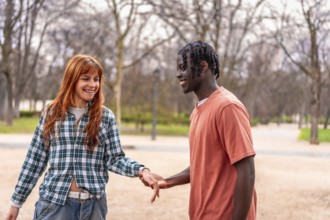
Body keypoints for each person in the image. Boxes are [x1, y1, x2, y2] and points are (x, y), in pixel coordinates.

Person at [6, 54, 159, 220]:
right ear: (72, 80)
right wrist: (16, 202)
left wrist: (140, 170)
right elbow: (35, 160)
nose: (92, 85)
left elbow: (114, 159)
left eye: (96, 79)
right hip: (54, 206)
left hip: (93, 208)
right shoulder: (51, 113)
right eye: (86, 78)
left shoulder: (106, 117)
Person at [143, 41, 257, 220]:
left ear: (203, 66)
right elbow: (203, 164)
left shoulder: (227, 107)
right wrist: (167, 181)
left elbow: (247, 170)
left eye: (183, 67)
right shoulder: (197, 112)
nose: (178, 74)